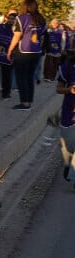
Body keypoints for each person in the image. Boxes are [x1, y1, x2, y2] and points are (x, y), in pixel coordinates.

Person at [7, 0, 46, 110]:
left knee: (21, 77)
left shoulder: (21, 18)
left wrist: (10, 50)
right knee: (30, 77)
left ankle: (24, 103)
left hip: (23, 51)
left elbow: (17, 35)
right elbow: (42, 34)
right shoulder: (42, 19)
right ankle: (29, 101)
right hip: (36, 51)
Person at [55, 50, 75, 183]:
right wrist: (69, 90)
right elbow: (59, 88)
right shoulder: (68, 65)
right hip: (69, 109)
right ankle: (68, 163)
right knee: (68, 146)